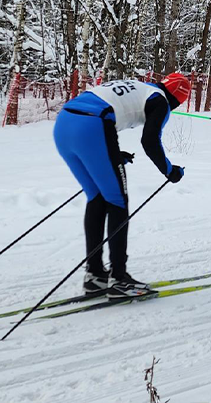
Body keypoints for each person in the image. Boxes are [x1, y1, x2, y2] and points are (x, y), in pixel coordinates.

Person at [53, 73, 191, 299]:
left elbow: (109, 107)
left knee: (97, 197)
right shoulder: (161, 101)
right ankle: (119, 279)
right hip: (92, 125)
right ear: (178, 99)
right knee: (117, 201)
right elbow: (150, 141)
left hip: (64, 125)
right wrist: (169, 171)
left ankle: (95, 276)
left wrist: (112, 155)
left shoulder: (142, 87)